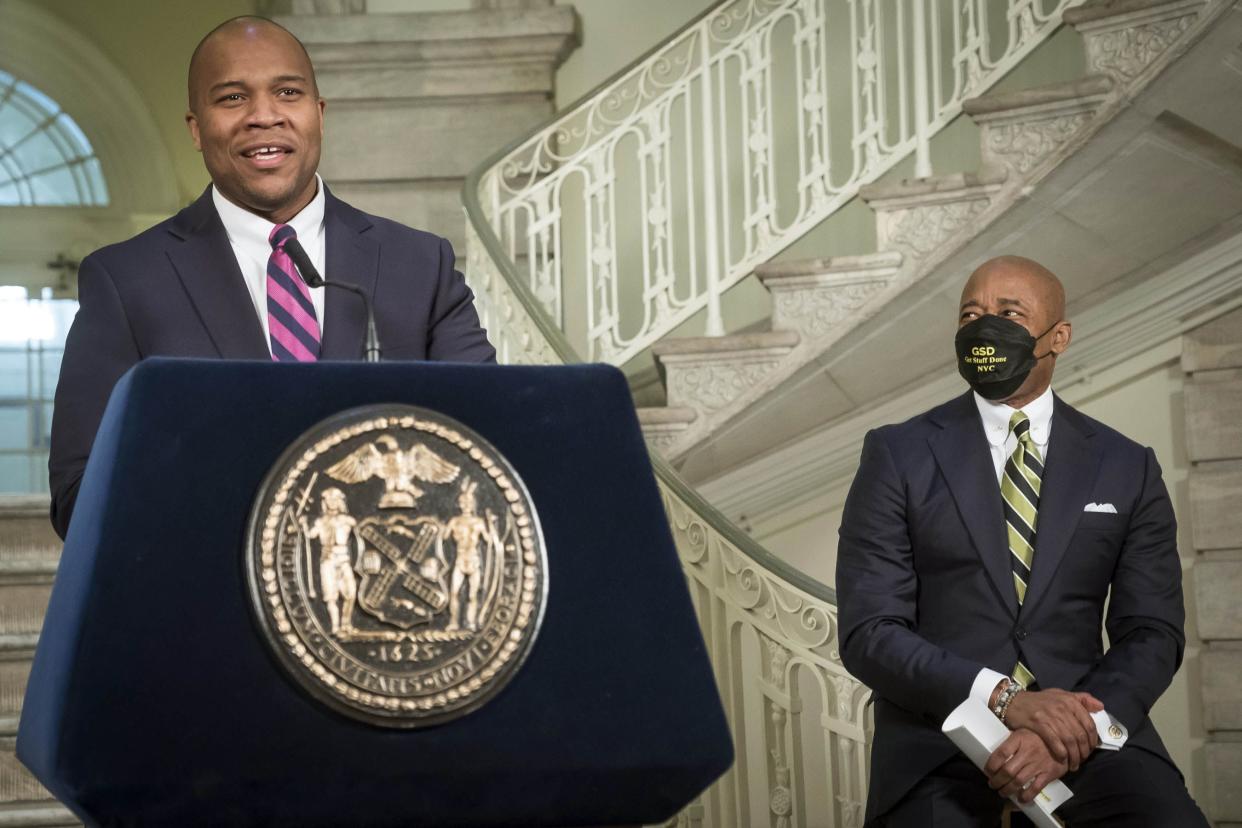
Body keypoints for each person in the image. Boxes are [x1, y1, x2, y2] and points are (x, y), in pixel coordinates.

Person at [48, 16, 495, 539]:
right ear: (196, 128)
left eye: (287, 92)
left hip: (389, 596)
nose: (264, 116)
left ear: (318, 114)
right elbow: (77, 496)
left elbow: (486, 446)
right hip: (211, 605)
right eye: (233, 98)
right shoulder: (125, 281)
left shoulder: (420, 266)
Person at [836, 256, 1207, 826]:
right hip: (939, 739)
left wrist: (1068, 733)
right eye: (971, 314)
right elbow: (870, 632)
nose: (985, 327)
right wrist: (1007, 700)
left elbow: (1152, 631)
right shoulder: (896, 454)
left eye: (1009, 313)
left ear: (1057, 337)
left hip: (1086, 737)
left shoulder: (1127, 466)